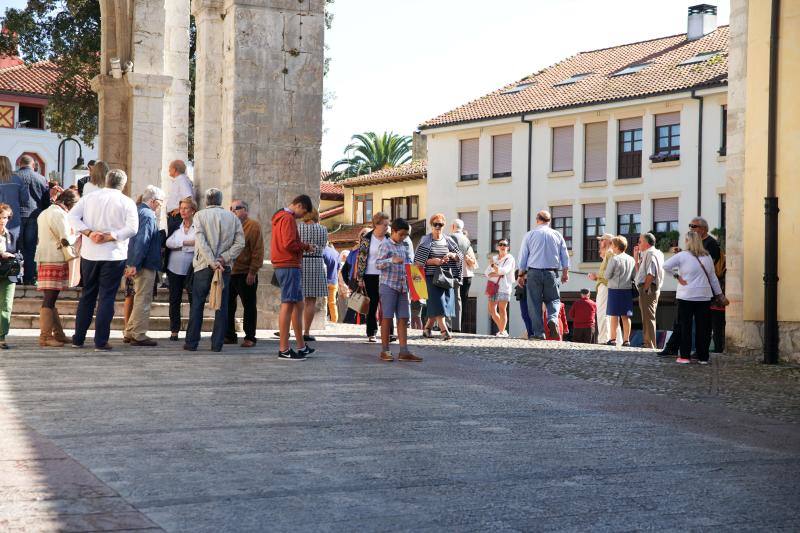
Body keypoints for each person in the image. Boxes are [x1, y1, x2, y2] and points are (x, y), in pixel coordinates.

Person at [69, 169, 138, 351]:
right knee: (107, 297)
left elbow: (72, 216)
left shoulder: (90, 197)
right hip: (114, 255)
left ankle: (78, 338)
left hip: (90, 253)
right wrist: (112, 236)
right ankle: (100, 341)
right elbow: (133, 228)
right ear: (123, 184)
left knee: (87, 295)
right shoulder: (126, 201)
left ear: (106, 181)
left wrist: (89, 233)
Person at [184, 188, 244, 352]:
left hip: (204, 265)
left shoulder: (199, 215)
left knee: (197, 304)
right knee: (222, 305)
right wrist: (223, 258)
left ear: (206, 201)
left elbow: (201, 240)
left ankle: (191, 342)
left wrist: (212, 261)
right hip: (223, 266)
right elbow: (240, 243)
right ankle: (217, 344)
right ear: (220, 200)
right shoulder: (232, 217)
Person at [659, 217, 721, 356]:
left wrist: (682, 262)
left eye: (694, 226)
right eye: (690, 226)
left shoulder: (711, 244)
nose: (691, 228)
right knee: (684, 324)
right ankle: (677, 348)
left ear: (703, 229)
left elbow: (711, 271)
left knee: (696, 326)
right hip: (697, 292)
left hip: (701, 291)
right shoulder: (689, 253)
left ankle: (692, 353)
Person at [271, 194, 315, 359]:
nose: (302, 217)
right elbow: (289, 243)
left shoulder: (280, 216)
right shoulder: (288, 218)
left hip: (284, 264)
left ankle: (301, 346)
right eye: (303, 212)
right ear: (300, 205)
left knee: (298, 304)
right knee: (288, 304)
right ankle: (283, 349)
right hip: (288, 264)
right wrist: (305, 247)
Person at [34, 189, 79, 347]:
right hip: (55, 257)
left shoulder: (44, 213)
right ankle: (45, 336)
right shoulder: (59, 214)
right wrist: (78, 234)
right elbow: (66, 239)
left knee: (51, 297)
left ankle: (58, 334)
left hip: (44, 256)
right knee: (50, 298)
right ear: (69, 203)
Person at [516, 210, 570, 341]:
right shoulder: (557, 234)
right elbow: (565, 255)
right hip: (551, 272)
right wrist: (565, 273)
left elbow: (523, 256)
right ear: (549, 220)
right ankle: (552, 319)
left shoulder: (530, 235)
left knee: (534, 303)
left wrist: (520, 275)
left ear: (537, 220)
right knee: (554, 300)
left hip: (533, 273)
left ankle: (539, 333)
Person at [122, 185, 165, 346]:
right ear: (153, 201)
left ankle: (130, 331)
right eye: (160, 202)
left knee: (139, 297)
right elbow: (143, 240)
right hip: (144, 264)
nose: (160, 206)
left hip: (136, 261)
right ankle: (138, 334)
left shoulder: (137, 211)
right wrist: (135, 263)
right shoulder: (148, 214)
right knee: (143, 299)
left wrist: (132, 262)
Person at [375, 218, 422, 362]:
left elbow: (407, 263)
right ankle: (385, 350)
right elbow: (377, 264)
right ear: (393, 231)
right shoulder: (385, 245)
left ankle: (404, 351)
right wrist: (391, 260)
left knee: (403, 318)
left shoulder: (404, 245)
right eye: (401, 234)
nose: (403, 237)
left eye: (406, 235)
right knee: (387, 318)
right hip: (388, 285)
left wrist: (415, 266)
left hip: (402, 286)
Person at [414, 213, 463, 340]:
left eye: (440, 224)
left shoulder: (448, 240)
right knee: (439, 303)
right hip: (430, 277)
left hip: (446, 277)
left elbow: (460, 256)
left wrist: (452, 255)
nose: (438, 226)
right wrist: (433, 261)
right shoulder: (425, 240)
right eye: (435, 224)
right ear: (431, 225)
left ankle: (427, 329)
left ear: (444, 225)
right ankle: (444, 331)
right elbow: (418, 261)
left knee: (441, 303)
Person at [225, 199, 264, 348]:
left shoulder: (253, 226)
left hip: (245, 272)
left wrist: (253, 271)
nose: (232, 211)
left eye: (236, 208)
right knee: (228, 305)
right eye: (231, 208)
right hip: (230, 272)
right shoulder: (230, 226)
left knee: (249, 305)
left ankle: (250, 337)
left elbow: (258, 251)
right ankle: (229, 334)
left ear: (245, 210)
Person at [12, 154, 51, 285]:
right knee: (31, 248)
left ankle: (15, 278)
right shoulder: (41, 178)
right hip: (34, 216)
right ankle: (29, 278)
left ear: (19, 164)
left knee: (15, 248)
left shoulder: (13, 177)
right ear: (33, 165)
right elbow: (46, 201)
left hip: (16, 216)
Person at [355, 212, 392, 343]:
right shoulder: (367, 238)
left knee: (388, 303)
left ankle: (389, 332)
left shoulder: (390, 238)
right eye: (385, 225)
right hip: (370, 274)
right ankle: (372, 332)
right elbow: (361, 258)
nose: (387, 227)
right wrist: (360, 278)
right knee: (373, 303)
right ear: (376, 224)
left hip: (387, 274)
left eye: (388, 225)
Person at [165, 197, 197, 341]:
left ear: (193, 211)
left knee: (193, 300)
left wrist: (180, 244)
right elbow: (168, 243)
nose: (182, 211)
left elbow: (199, 244)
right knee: (174, 299)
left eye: (186, 208)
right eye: (181, 208)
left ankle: (192, 330)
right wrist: (187, 243)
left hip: (192, 268)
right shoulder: (175, 225)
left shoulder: (198, 226)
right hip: (174, 268)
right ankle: (174, 330)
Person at [298, 209, 329, 342]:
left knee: (295, 300)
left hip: (300, 262)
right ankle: (306, 332)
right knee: (311, 301)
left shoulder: (298, 228)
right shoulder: (323, 229)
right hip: (316, 263)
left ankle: (288, 330)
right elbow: (323, 246)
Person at [633, 232, 665, 349]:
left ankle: (649, 344)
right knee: (647, 317)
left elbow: (651, 274)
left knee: (648, 317)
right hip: (649, 287)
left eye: (640, 241)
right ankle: (648, 342)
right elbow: (640, 273)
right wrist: (636, 259)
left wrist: (645, 289)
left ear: (646, 243)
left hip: (649, 288)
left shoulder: (651, 253)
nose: (638, 244)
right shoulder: (654, 253)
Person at [604, 236, 636, 347]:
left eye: (612, 244)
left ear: (616, 246)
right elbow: (634, 276)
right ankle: (626, 340)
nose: (611, 246)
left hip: (615, 289)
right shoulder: (631, 259)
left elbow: (607, 275)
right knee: (626, 316)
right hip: (627, 290)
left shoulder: (614, 259)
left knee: (614, 315)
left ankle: (613, 339)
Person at [587, 234, 618, 345]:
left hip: (605, 286)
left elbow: (610, 272)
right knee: (611, 314)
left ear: (606, 241)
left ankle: (604, 339)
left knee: (602, 313)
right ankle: (614, 339)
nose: (600, 243)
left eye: (601, 240)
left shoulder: (609, 253)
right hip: (606, 285)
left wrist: (596, 276)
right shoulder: (609, 254)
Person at [450, 219, 477, 333]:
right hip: (461, 275)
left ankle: (457, 326)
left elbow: (474, 263)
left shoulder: (450, 240)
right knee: (459, 301)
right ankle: (455, 326)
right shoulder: (467, 243)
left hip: (461, 275)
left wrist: (467, 258)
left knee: (459, 302)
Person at [0, 203, 21, 349]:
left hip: (8, 274)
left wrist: (14, 256)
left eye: (6, 217)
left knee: (6, 304)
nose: (2, 220)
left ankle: (2, 336)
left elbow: (19, 252)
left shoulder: (12, 234)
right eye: (0, 217)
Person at [485, 239, 516, 337]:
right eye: (501, 244)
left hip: (504, 287)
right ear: (498, 247)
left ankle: (502, 331)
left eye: (505, 245)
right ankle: (503, 330)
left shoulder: (509, 258)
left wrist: (494, 269)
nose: (503, 246)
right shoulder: (494, 258)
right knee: (491, 310)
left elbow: (504, 271)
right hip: (493, 286)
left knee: (502, 309)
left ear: (508, 247)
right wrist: (495, 271)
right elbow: (487, 273)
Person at [0, 156, 29, 242]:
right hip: (14, 219)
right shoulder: (17, 179)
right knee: (13, 247)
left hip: (2, 217)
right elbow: (25, 198)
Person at [165, 160, 194, 236]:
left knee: (174, 241)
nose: (168, 170)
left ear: (174, 169)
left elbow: (189, 197)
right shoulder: (179, 180)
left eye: (170, 168)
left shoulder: (182, 180)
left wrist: (179, 209)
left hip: (177, 217)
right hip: (174, 217)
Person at [323, 242, 341, 323]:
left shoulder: (322, 251)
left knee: (323, 302)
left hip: (323, 280)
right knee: (332, 302)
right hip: (334, 280)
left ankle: (323, 321)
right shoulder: (336, 252)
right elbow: (339, 267)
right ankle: (334, 321)